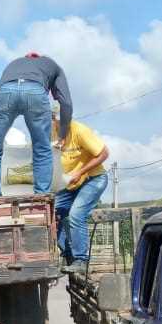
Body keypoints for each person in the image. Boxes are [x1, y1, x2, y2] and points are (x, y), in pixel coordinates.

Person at [0, 53, 73, 196]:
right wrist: (62, 135)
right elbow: (66, 103)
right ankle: (41, 196)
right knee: (42, 149)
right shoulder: (53, 66)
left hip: (5, 92)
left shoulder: (14, 63)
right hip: (35, 92)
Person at [52, 102, 110, 274]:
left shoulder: (80, 131)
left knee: (76, 214)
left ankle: (81, 260)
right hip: (69, 182)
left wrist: (81, 171)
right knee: (53, 212)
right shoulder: (49, 133)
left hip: (93, 179)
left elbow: (104, 153)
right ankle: (67, 254)